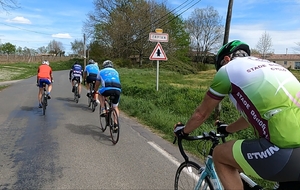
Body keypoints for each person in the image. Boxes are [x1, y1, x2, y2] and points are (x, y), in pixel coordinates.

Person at [174, 40, 300, 189]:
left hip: (283, 148)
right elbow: (251, 117)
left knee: (220, 155)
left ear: (226, 59)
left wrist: (183, 131)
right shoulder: (273, 67)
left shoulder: (227, 70)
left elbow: (201, 113)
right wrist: (227, 129)